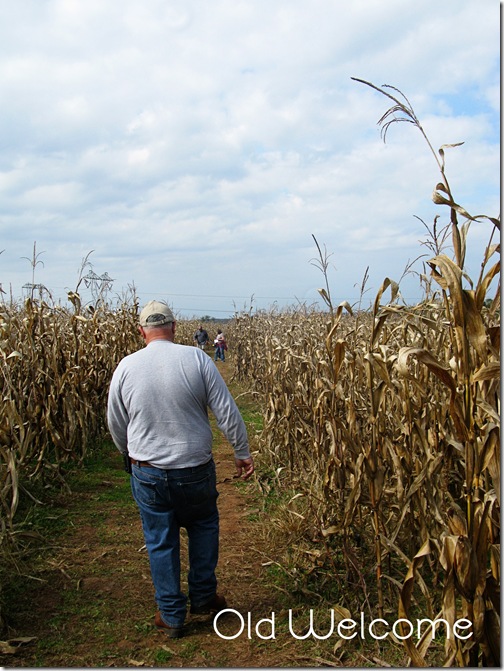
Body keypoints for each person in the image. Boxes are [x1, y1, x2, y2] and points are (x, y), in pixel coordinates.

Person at [107, 300, 254, 639]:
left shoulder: (127, 367)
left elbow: (116, 421)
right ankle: (203, 598)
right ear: (174, 328)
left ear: (142, 331)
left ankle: (172, 615)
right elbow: (226, 412)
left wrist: (127, 454)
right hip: (195, 468)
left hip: (148, 470)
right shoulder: (197, 359)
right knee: (203, 527)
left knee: (160, 539)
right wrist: (242, 452)